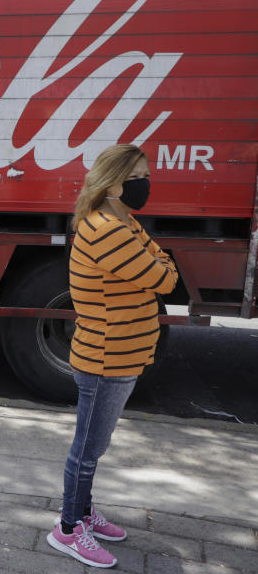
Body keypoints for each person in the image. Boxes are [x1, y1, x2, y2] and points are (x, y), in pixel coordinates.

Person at [48, 144, 178, 568]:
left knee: (94, 447)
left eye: (146, 174)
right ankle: (68, 529)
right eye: (138, 175)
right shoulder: (109, 229)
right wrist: (159, 264)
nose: (146, 183)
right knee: (87, 449)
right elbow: (165, 278)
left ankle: (83, 513)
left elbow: (160, 265)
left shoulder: (124, 221)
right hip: (107, 357)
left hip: (121, 353)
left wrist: (157, 262)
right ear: (114, 181)